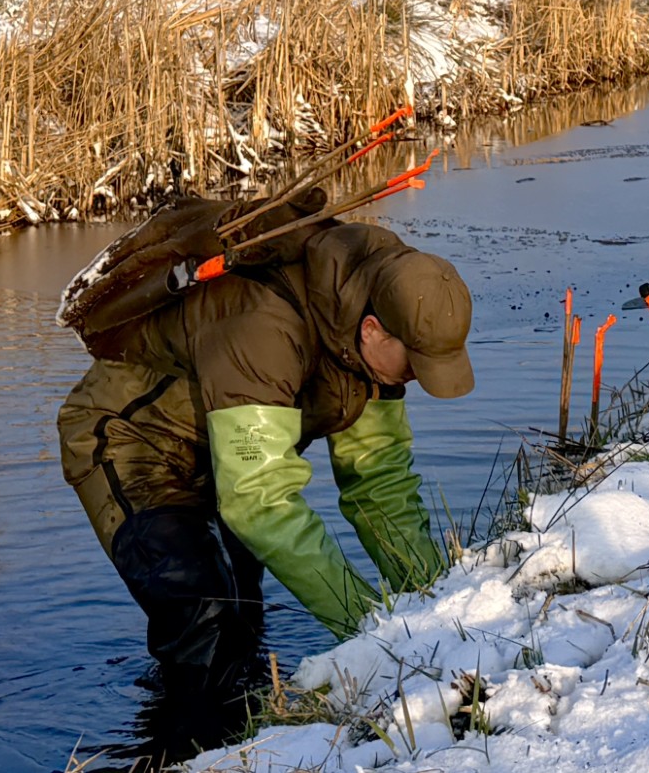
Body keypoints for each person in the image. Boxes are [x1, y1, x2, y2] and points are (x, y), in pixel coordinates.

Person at [56, 216, 470, 744]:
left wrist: (440, 613)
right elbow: (258, 503)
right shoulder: (264, 327)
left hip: (232, 452)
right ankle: (186, 750)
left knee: (244, 625)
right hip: (136, 444)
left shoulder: (371, 338)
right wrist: (371, 634)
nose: (415, 378)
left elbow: (379, 484)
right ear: (373, 330)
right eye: (414, 365)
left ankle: (243, 738)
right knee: (203, 619)